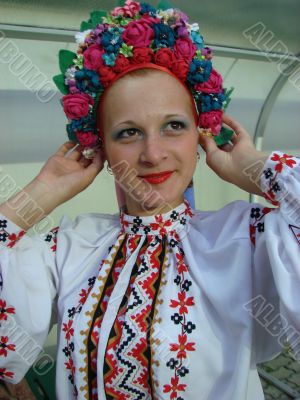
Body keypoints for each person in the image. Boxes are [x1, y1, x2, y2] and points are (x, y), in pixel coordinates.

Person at [0, 1, 299, 399]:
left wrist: (254, 165)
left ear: (200, 138)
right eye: (127, 133)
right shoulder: (72, 245)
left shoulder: (244, 238)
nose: (152, 154)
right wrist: (43, 190)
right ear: (100, 146)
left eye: (174, 126)